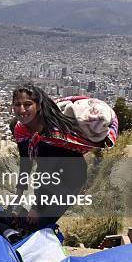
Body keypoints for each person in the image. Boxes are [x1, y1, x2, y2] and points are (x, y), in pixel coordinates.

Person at [10, 83, 88, 231]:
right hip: (50, 176)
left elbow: (47, 172)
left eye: (27, 104)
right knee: (27, 221)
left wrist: (37, 208)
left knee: (39, 224)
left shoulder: (52, 135)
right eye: (17, 104)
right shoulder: (21, 129)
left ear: (38, 106)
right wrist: (19, 193)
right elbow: (25, 162)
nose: (21, 109)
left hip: (70, 178)